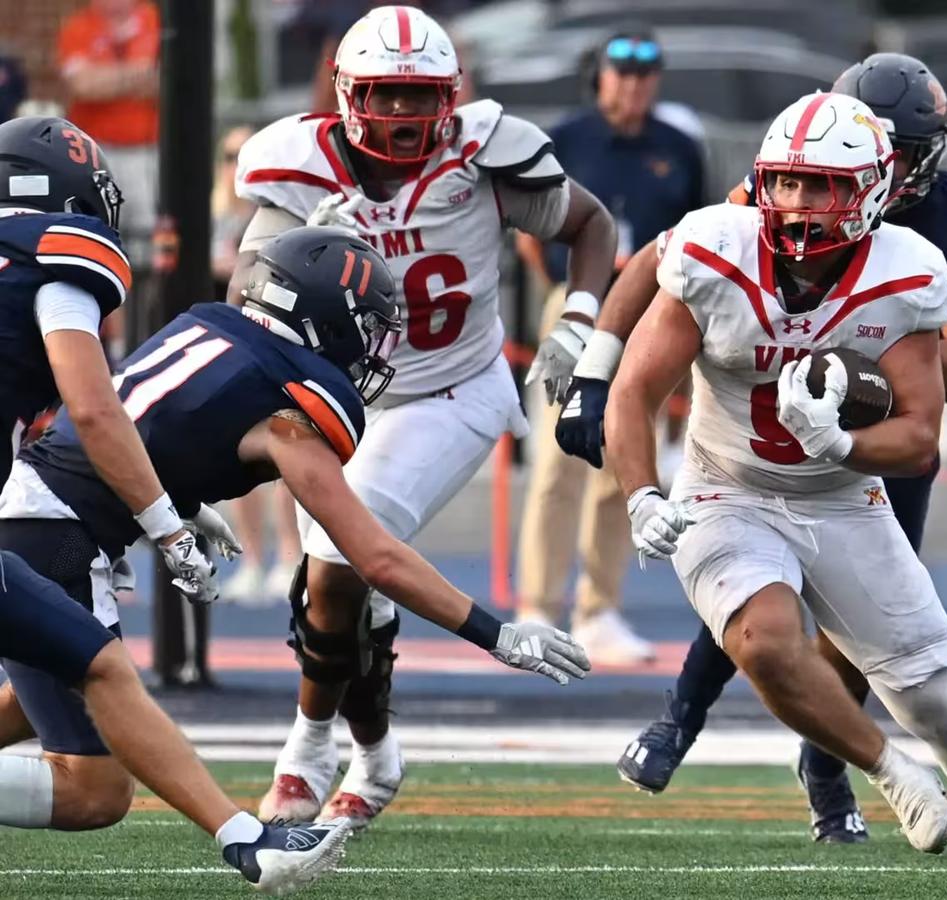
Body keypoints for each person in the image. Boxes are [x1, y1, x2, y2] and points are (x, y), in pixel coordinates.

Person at [605, 92, 947, 890]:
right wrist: (641, 495)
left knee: (934, 696)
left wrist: (840, 442)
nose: (798, 204)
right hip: (727, 486)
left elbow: (921, 436)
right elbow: (636, 391)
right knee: (760, 638)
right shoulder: (715, 249)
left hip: (840, 496)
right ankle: (889, 770)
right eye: (787, 183)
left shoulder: (904, 271)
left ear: (870, 189)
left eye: (822, 185)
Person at [1, 225, 590, 846]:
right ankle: (243, 841)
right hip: (58, 538)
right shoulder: (288, 407)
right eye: (366, 326)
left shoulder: (205, 329)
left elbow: (140, 422)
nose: (371, 347)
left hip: (31, 510)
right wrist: (496, 634)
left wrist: (177, 498)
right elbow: (374, 555)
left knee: (49, 685)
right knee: (95, 786)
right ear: (325, 319)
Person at [232, 5, 616, 829]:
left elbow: (592, 223)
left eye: (418, 97)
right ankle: (374, 757)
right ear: (346, 93)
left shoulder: (484, 158)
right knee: (339, 590)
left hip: (450, 390)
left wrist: (579, 319)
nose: (403, 117)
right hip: (338, 402)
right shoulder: (300, 168)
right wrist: (291, 255)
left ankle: (306, 747)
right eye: (383, 95)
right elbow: (241, 299)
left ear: (450, 97)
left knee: (341, 556)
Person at [0, 116, 347, 893]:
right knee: (100, 671)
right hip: (38, 518)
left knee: (89, 754)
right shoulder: (56, 259)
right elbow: (92, 407)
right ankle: (249, 840)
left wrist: (167, 499)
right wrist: (163, 525)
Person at [517, 26, 707, 663]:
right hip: (579, 304)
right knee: (556, 461)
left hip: (652, 315)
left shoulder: (678, 147)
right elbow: (529, 226)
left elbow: (699, 232)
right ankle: (538, 608)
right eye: (621, 72)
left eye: (645, 73)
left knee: (623, 458)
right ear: (599, 77)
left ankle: (599, 607)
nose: (632, 84)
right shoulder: (567, 139)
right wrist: (562, 293)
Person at [211, 125, 304, 606]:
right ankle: (251, 557)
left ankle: (290, 554)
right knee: (239, 457)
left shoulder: (287, 211)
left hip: (278, 347)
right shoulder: (217, 220)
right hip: (230, 348)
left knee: (288, 454)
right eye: (228, 155)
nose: (235, 168)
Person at [54, 0, 161, 253]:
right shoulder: (80, 27)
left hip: (146, 150)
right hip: (94, 153)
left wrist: (107, 77)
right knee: (99, 232)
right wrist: (136, 76)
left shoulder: (153, 20)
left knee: (149, 238)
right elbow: (83, 86)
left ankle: (149, 294)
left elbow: (162, 80)